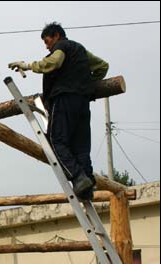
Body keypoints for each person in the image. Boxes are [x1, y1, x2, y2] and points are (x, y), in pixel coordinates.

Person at [8, 22, 109, 200]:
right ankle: (86, 186)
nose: (47, 46)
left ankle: (78, 177)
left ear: (56, 36)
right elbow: (102, 66)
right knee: (81, 147)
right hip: (83, 103)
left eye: (47, 42)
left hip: (64, 100)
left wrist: (27, 65)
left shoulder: (61, 47)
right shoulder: (81, 50)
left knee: (56, 141)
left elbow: (53, 63)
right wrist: (86, 84)